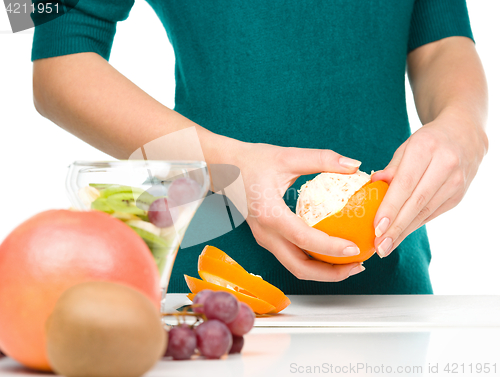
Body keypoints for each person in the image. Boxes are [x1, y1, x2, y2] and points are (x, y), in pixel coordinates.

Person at [31, 0, 488, 294]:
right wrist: (225, 165)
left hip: (390, 287)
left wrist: (464, 126)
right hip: (207, 290)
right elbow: (57, 65)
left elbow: (443, 40)